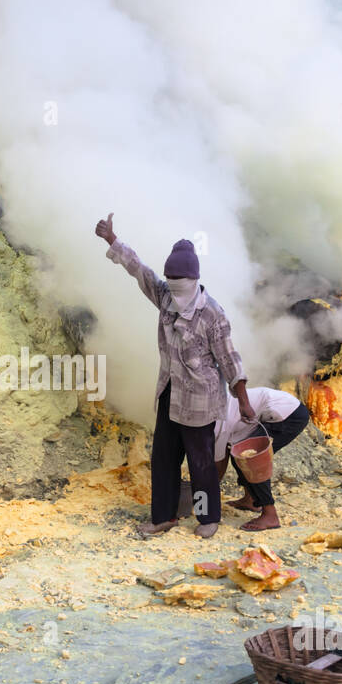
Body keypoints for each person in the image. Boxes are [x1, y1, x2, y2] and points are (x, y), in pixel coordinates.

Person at [95, 212, 254, 538]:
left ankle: (207, 517)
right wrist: (113, 240)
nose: (174, 292)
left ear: (194, 281)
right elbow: (139, 270)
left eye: (180, 285)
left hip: (199, 400)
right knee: (163, 460)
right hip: (170, 393)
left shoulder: (213, 314)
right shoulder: (165, 295)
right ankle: (164, 516)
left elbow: (230, 360)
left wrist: (245, 400)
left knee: (201, 463)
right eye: (171, 283)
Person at [214, 386, 313, 531]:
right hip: (274, 412)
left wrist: (209, 490)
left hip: (289, 415)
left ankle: (270, 515)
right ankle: (251, 500)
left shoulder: (217, 423)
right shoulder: (214, 411)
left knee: (251, 459)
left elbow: (219, 462)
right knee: (239, 455)